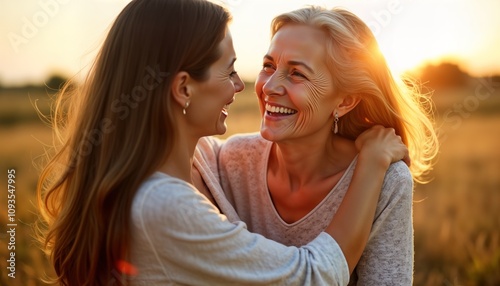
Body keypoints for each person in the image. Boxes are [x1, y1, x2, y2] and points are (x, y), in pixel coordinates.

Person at [36, 0, 409, 285]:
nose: (257, 86)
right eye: (236, 69)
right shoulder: (185, 190)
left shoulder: (185, 164)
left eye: (296, 73)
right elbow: (312, 277)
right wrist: (370, 166)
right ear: (183, 88)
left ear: (345, 100)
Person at [217, 6, 439, 286]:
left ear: (345, 101)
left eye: (297, 73)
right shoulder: (232, 160)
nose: (269, 86)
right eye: (268, 66)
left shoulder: (387, 179)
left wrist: (371, 165)